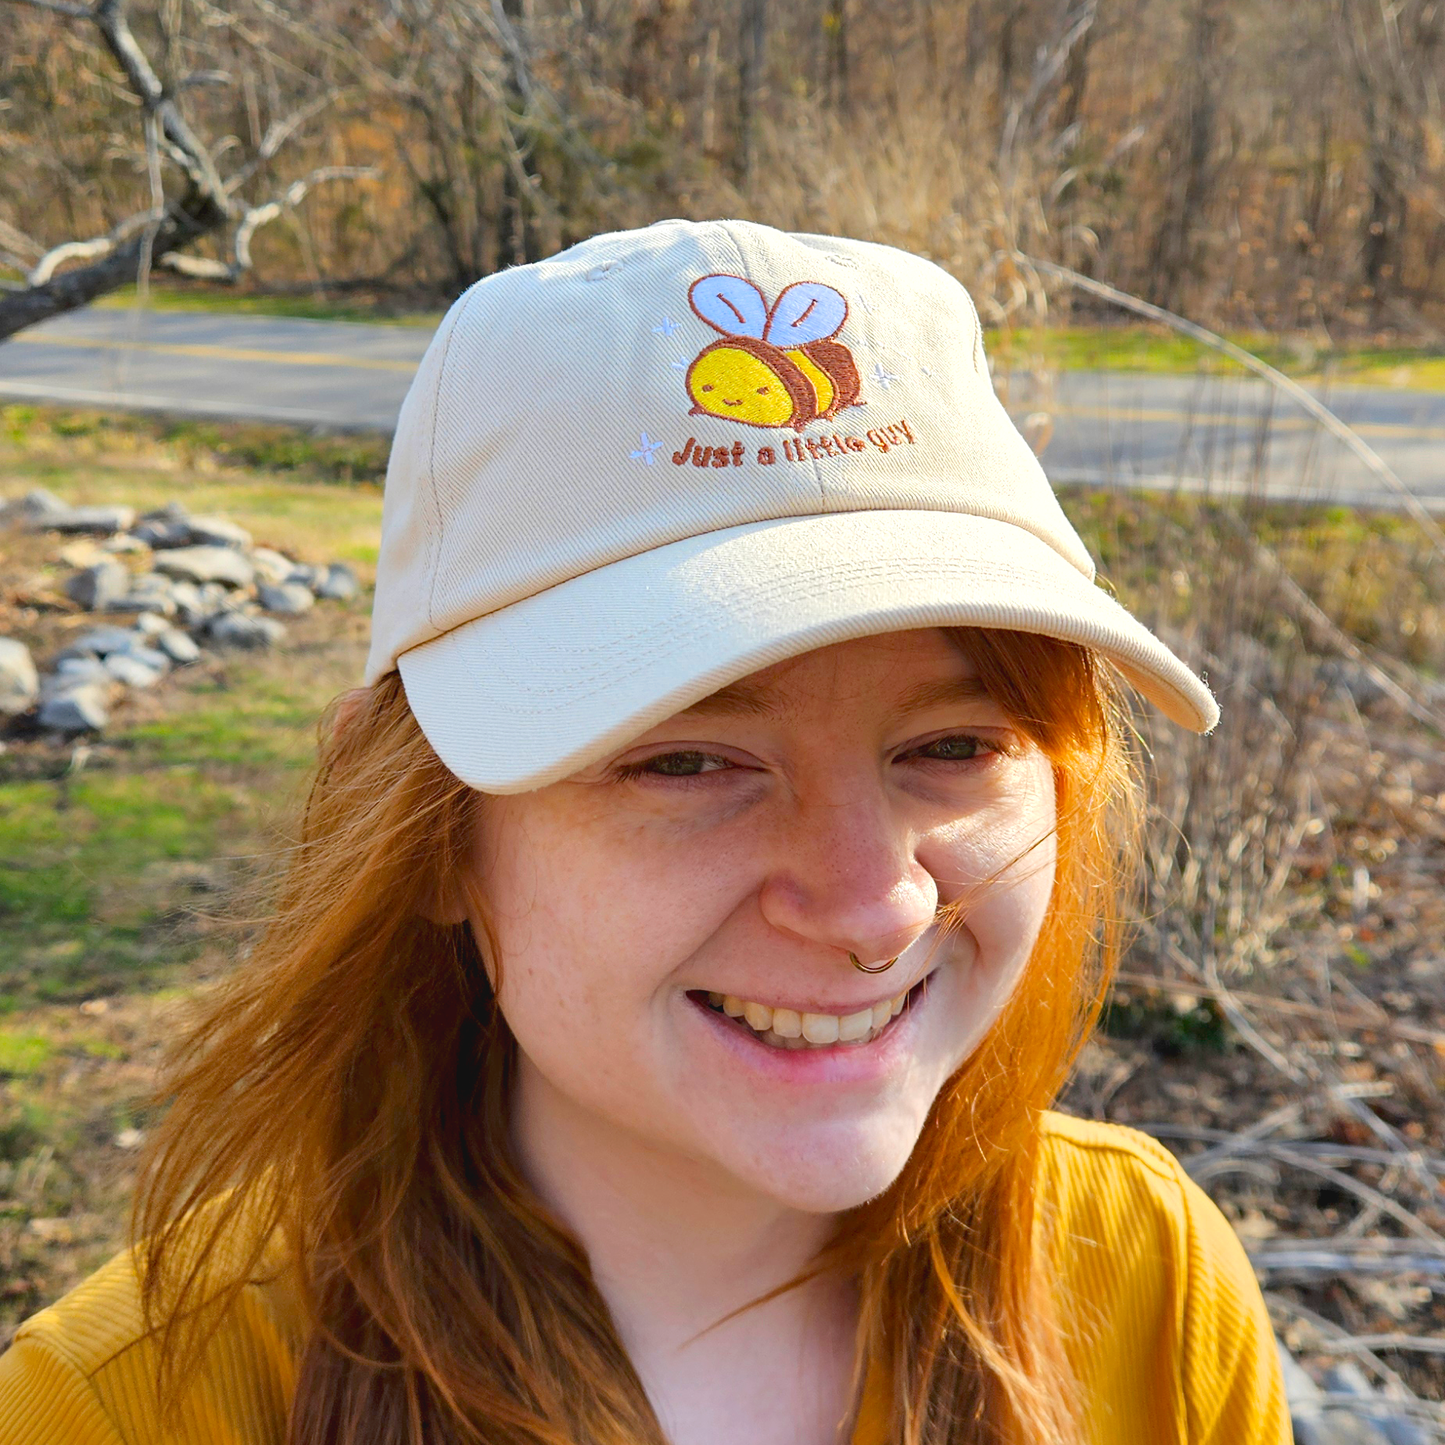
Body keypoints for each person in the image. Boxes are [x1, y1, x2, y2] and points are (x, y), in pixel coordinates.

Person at [0, 219, 1288, 1445]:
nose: (870, 905)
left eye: (951, 748)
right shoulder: (130, 1404)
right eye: (685, 761)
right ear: (433, 832)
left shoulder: (1145, 1282)